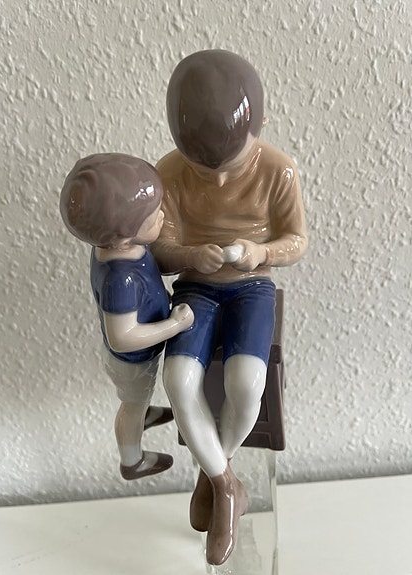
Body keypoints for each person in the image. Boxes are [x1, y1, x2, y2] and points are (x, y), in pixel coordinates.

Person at [151, 50, 308, 565]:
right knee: (178, 381)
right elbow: (160, 250)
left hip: (251, 287)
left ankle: (213, 470)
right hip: (196, 287)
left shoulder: (279, 170)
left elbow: (297, 241)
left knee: (246, 384)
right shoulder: (169, 172)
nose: (217, 180)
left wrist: (260, 253)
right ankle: (227, 485)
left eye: (231, 166)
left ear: (259, 126)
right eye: (202, 168)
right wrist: (190, 255)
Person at [60, 153, 194, 480]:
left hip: (139, 358)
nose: (162, 216)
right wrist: (174, 325)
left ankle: (143, 409)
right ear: (121, 235)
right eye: (152, 217)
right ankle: (133, 460)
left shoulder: (118, 247)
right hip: (133, 360)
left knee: (138, 396)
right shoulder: (121, 278)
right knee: (131, 404)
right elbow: (122, 337)